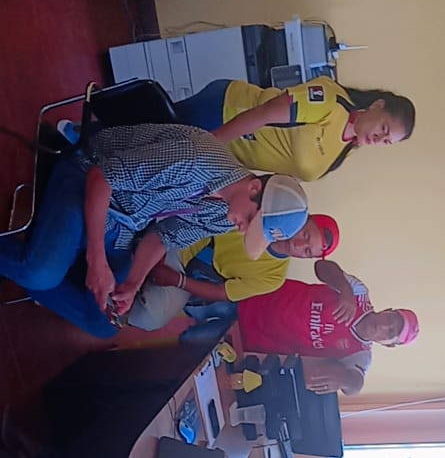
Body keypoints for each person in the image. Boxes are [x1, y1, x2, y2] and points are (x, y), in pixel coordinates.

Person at [0, 124, 309, 338]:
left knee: (105, 322)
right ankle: (33, 267)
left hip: (122, 224)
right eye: (250, 220)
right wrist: (97, 260)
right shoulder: (195, 160)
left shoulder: (225, 215)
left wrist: (133, 284)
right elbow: (100, 178)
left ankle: (29, 263)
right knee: (41, 274)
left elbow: (163, 236)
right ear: (254, 188)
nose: (242, 229)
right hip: (87, 181)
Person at [128, 213, 340, 333]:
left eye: (307, 251)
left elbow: (222, 292)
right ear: (302, 219)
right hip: (182, 233)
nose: (299, 245)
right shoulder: (268, 212)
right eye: (305, 235)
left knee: (148, 319)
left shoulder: (274, 277)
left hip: (185, 272)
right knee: (137, 254)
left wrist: (177, 280)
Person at [173, 77, 416, 181]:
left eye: (386, 141)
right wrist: (210, 143)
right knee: (155, 128)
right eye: (384, 128)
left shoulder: (345, 152)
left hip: (225, 154)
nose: (379, 138)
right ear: (377, 105)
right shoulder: (332, 101)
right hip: (224, 113)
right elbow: (266, 112)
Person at [237, 259, 420, 396]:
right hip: (249, 295)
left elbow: (355, 385)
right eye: (390, 318)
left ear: (388, 345)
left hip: (245, 337)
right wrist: (345, 289)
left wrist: (344, 380)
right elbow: (321, 266)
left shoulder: (360, 353)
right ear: (387, 310)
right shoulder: (359, 294)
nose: (384, 325)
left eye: (391, 332)